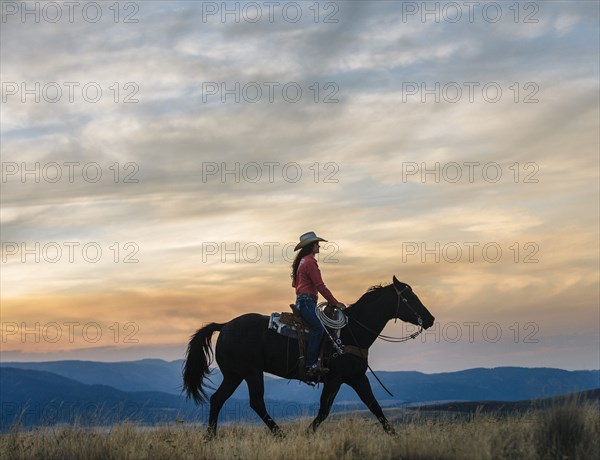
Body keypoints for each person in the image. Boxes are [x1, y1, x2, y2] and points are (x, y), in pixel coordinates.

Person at [291, 231, 346, 380]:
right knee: (318, 327)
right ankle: (311, 364)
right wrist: (335, 302)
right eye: (316, 243)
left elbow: (297, 285)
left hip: (305, 301)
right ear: (311, 246)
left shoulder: (302, 262)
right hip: (307, 302)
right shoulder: (309, 262)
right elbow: (320, 286)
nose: (319, 245)